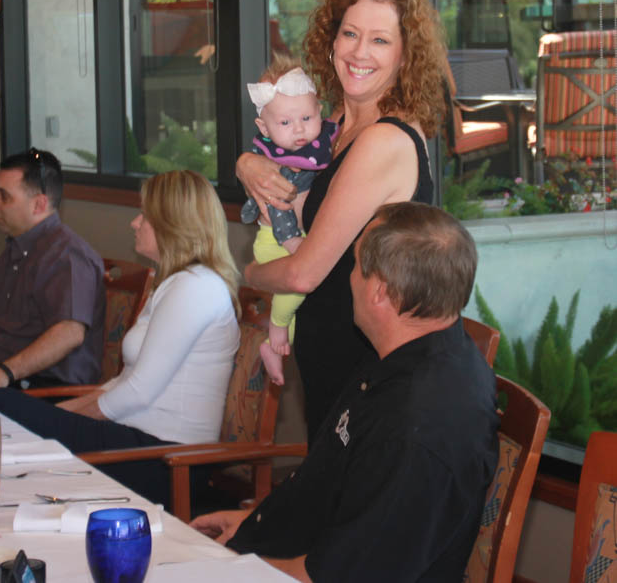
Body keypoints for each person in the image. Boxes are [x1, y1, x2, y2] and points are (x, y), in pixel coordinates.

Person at [191, 202, 500, 582]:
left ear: (380, 292)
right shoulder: (404, 353)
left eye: (354, 265)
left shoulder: (417, 428)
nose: (347, 277)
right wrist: (255, 521)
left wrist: (224, 565)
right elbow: (330, 485)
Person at [236, 0, 446, 444]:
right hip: (330, 357)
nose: (359, 52)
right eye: (350, 33)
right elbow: (281, 162)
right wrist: (246, 163)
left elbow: (301, 275)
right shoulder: (332, 124)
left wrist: (247, 276)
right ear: (330, 41)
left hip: (366, 371)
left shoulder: (383, 140)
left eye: (380, 40)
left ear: (405, 54)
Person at [0, 169, 241, 505]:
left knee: (1, 403)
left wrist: (57, 422)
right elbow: (125, 381)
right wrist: (59, 415)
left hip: (167, 460)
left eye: (145, 217)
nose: (134, 223)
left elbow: (137, 391)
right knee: (7, 410)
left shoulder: (196, 287)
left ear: (172, 225)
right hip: (136, 442)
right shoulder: (175, 282)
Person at [0, 149, 106, 397]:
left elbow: (69, 333)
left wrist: (3, 373)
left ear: (39, 204)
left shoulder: (67, 256)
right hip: (9, 384)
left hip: (47, 395)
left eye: (4, 197)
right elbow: (10, 334)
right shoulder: (15, 250)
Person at [240, 55, 337, 386]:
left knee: (298, 304)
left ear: (320, 111)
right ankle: (277, 327)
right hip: (276, 241)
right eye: (285, 123)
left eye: (307, 118)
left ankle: (272, 345)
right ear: (264, 129)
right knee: (294, 292)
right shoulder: (274, 161)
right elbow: (278, 203)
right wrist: (291, 240)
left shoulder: (321, 144)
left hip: (301, 248)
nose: (299, 129)